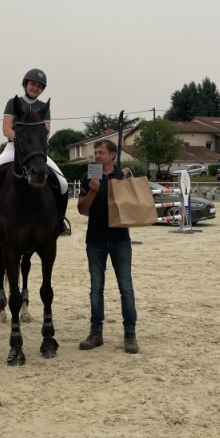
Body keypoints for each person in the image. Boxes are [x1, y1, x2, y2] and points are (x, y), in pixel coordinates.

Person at [0, 68, 70, 237]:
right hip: (13, 148)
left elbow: (46, 131)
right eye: (33, 84)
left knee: (63, 183)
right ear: (26, 84)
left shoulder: (43, 107)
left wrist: (34, 145)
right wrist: (20, 141)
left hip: (36, 150)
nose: (35, 88)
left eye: (39, 86)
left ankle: (60, 221)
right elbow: (6, 128)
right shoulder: (13, 102)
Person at [77, 139, 138, 355]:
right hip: (95, 239)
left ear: (113, 155)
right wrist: (92, 191)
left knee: (126, 288)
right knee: (96, 289)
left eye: (101, 152)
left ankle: (130, 335)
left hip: (121, 239)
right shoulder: (88, 178)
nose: (97, 156)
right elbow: (81, 209)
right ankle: (96, 333)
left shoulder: (123, 177)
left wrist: (128, 181)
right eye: (95, 152)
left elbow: (134, 205)